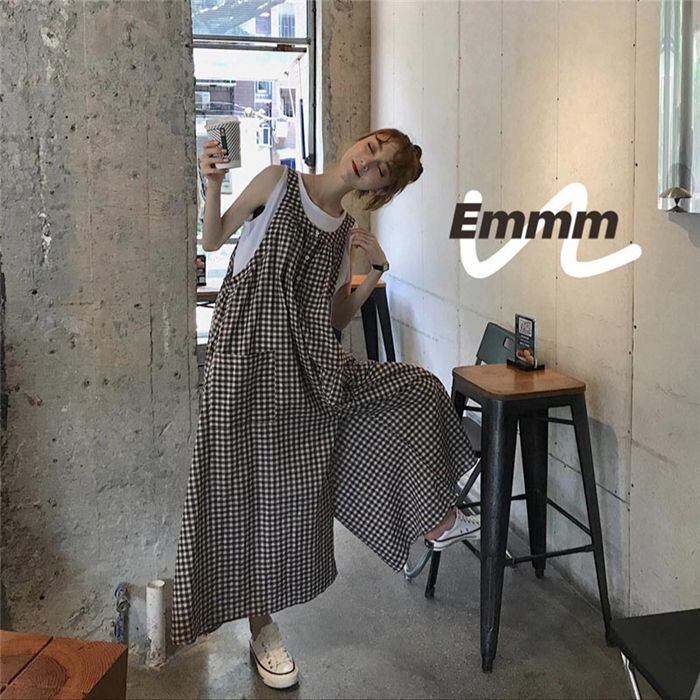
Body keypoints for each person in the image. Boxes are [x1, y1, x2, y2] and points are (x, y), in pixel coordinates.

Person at [172, 128, 479, 690]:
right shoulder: (277, 181)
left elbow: (332, 318)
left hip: (307, 368)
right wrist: (210, 183)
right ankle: (262, 629)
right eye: (373, 148)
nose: (369, 161)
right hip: (245, 362)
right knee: (244, 496)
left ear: (380, 190)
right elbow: (213, 240)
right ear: (358, 142)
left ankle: (434, 516)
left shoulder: (343, 234)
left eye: (383, 168)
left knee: (415, 387)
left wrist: (372, 272)